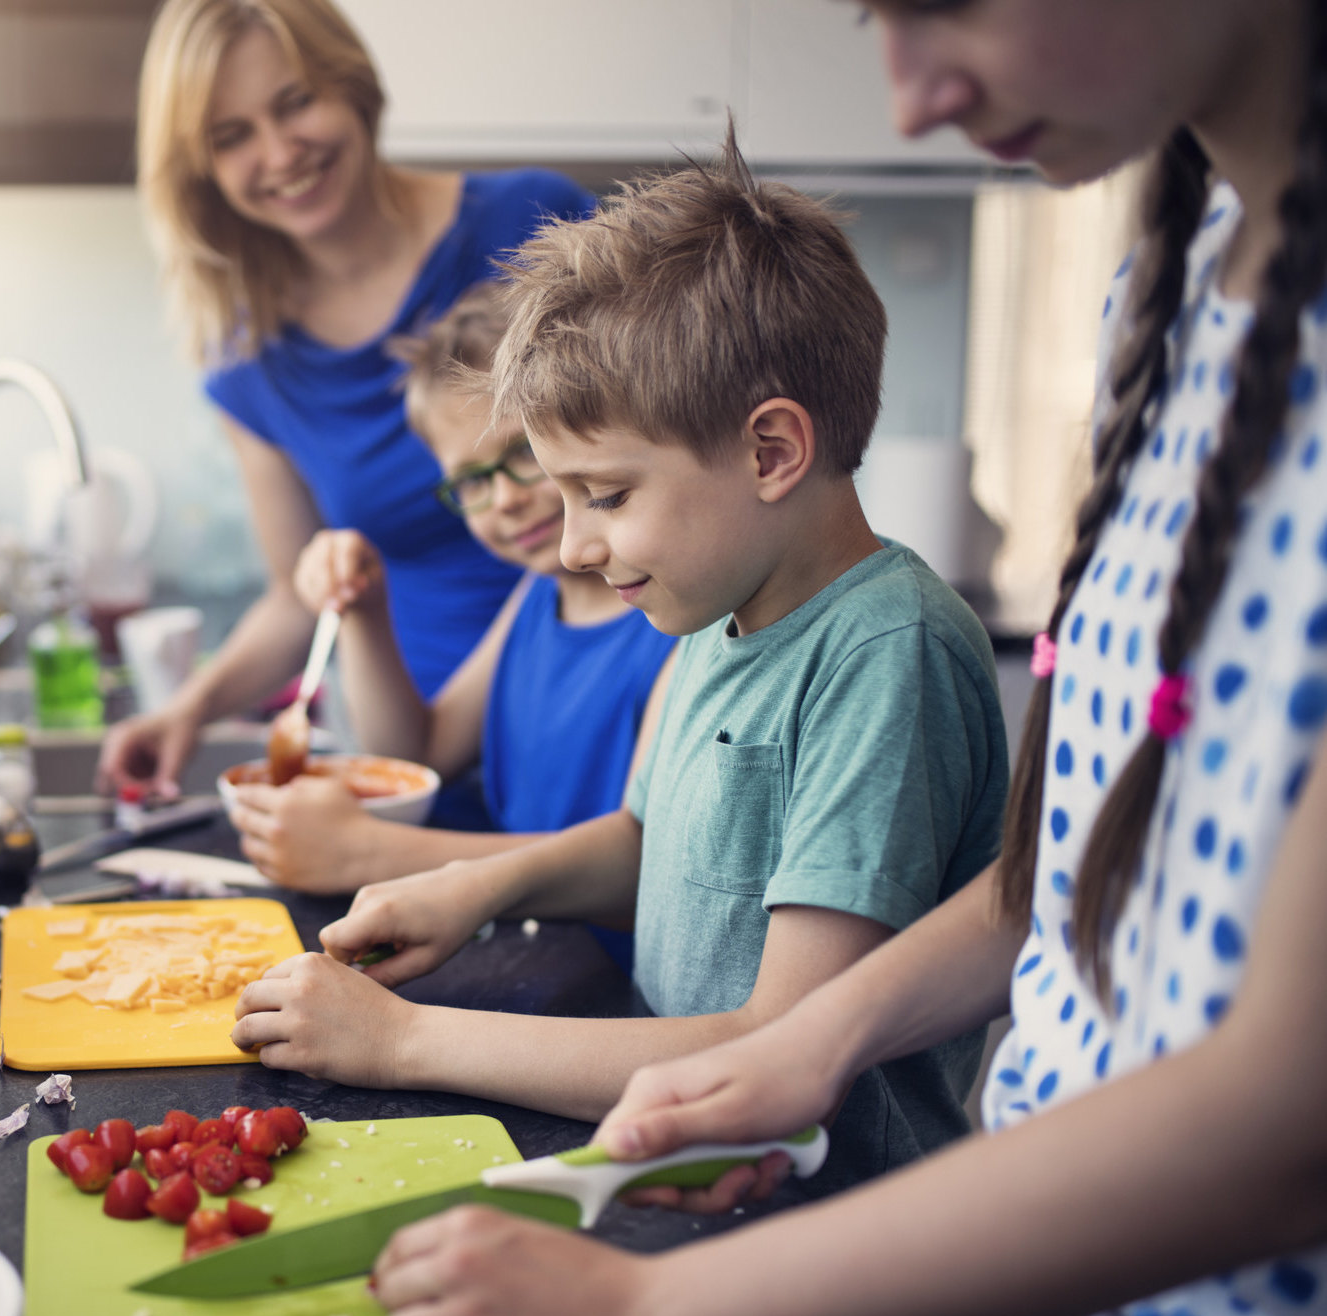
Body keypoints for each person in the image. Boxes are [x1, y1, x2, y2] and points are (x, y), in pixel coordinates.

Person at [363, 3, 1327, 1316]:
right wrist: (809, 1044)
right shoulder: (1166, 293)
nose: (909, 95)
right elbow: (1064, 882)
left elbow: (1283, 1129)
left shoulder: (882, 641)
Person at [230, 127, 1009, 1195]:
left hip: (816, 1220)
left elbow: (776, 1048)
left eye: (606, 496)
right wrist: (471, 888)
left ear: (771, 451)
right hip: (674, 1164)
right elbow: (653, 838)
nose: (571, 546)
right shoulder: (718, 612)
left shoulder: (883, 654)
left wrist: (401, 1040)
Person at [99, 0, 597, 801]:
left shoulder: (533, 223)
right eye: (231, 137)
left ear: (353, 85)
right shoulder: (248, 359)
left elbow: (658, 455)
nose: (279, 152)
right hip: (421, 754)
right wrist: (187, 710)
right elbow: (298, 598)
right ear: (202, 171)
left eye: (295, 102)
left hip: (600, 705)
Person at [223, 283, 676, 953]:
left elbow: (642, 867)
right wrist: (366, 613)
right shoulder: (536, 597)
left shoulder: (669, 618)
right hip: (536, 953)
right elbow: (418, 753)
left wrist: (371, 853)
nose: (502, 501)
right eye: (469, 480)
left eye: (521, 454)